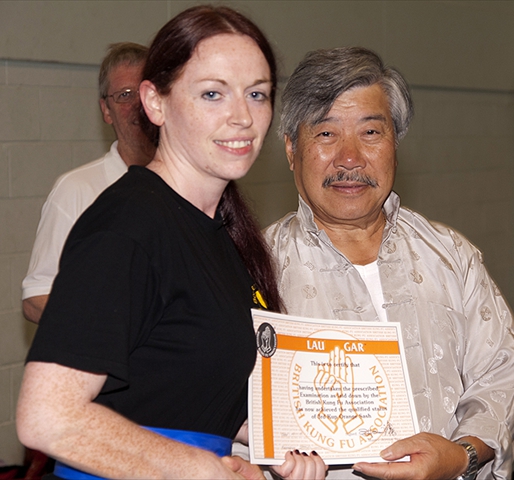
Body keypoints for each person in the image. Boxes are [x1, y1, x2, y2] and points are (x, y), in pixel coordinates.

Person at [17, 6, 325, 480]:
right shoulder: (129, 225)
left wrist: (275, 439)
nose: (242, 116)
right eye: (212, 94)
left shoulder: (216, 230)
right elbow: (47, 417)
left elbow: (178, 386)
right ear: (155, 103)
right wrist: (206, 470)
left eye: (257, 94)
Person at [264, 47, 514, 480]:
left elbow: (501, 374)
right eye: (327, 134)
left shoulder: (450, 255)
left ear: (395, 144)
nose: (349, 158)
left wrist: (461, 455)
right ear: (292, 148)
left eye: (370, 132)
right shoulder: (254, 268)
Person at [21, 42, 156, 324]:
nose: (136, 106)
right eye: (124, 95)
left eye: (144, 91)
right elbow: (35, 300)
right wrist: (110, 324)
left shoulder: (193, 188)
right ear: (106, 111)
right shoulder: (77, 190)